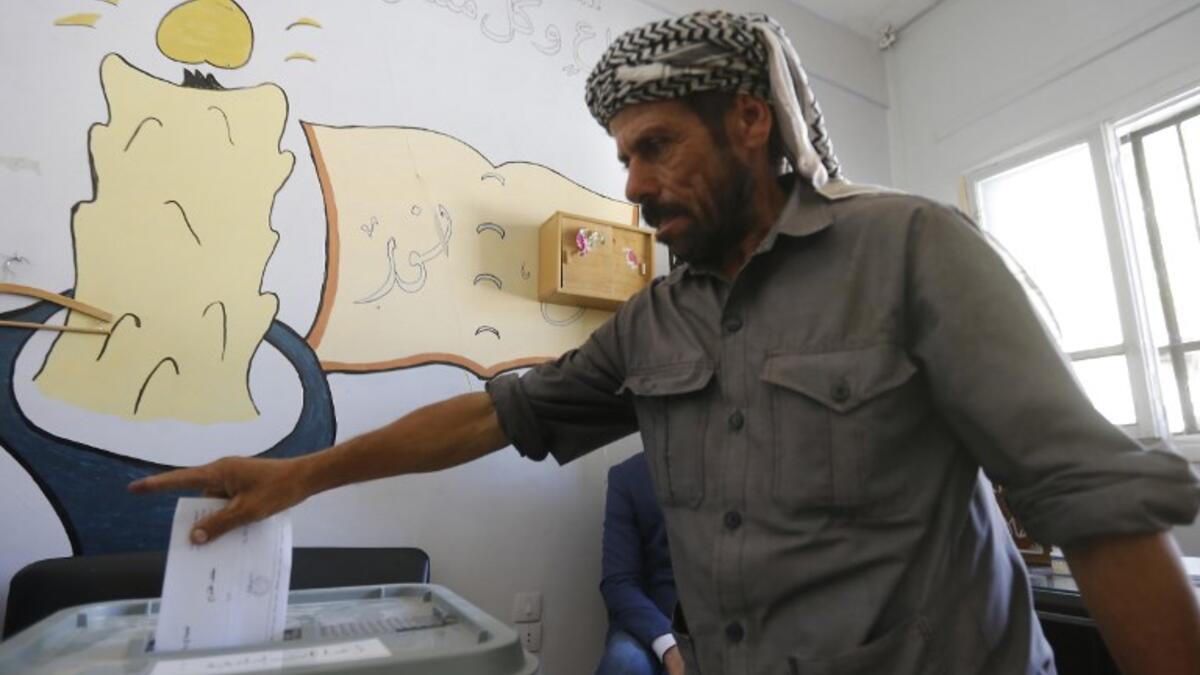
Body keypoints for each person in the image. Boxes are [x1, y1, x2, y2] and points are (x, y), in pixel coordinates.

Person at [130, 10, 1200, 675]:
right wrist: (300, 476)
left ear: (749, 122)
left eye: (656, 147)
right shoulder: (653, 322)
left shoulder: (911, 248)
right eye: (625, 159)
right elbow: (496, 415)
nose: (635, 185)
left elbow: (1093, 499)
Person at [596, 452, 680, 675]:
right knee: (625, 663)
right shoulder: (629, 476)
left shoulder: (746, 465)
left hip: (731, 620)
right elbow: (618, 582)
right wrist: (669, 646)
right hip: (657, 621)